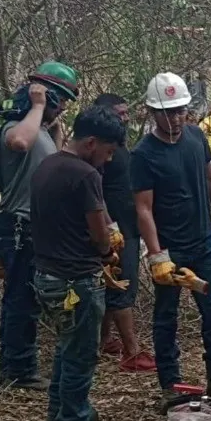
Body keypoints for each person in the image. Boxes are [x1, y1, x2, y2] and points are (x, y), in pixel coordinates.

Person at [131, 72, 211, 402]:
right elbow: (143, 208)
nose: (175, 118)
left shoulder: (195, 137)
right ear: (152, 113)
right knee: (166, 317)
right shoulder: (144, 154)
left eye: (180, 111)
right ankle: (170, 384)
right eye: (167, 112)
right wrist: (156, 254)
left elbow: (209, 181)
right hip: (170, 248)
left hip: (203, 241)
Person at [30, 105, 125, 421]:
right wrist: (107, 248)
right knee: (81, 356)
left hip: (46, 275)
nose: (110, 159)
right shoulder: (86, 175)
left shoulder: (48, 165)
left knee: (66, 348)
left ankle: (63, 413)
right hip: (75, 279)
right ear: (91, 142)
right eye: (109, 151)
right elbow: (100, 236)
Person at [0, 61, 80, 390]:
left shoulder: (40, 130)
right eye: (62, 101)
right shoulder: (16, 125)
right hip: (16, 225)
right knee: (21, 299)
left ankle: (16, 364)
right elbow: (20, 144)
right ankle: (17, 370)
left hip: (33, 225)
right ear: (47, 96)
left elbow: (56, 167)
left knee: (27, 298)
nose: (63, 108)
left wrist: (54, 128)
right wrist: (39, 106)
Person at [94, 94, 156, 372]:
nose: (127, 117)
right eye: (121, 113)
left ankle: (104, 339)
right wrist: (109, 226)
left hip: (130, 225)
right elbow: (94, 190)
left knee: (112, 285)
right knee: (122, 286)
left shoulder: (118, 144)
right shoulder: (100, 150)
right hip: (117, 229)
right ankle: (132, 352)